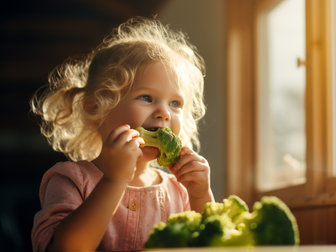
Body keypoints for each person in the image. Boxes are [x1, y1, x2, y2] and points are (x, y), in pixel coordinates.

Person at [30, 17, 214, 252]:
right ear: (96, 107)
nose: (164, 113)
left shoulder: (179, 191)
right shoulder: (71, 180)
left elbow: (209, 245)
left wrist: (201, 197)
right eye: (146, 98)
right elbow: (67, 248)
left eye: (175, 103)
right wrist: (114, 180)